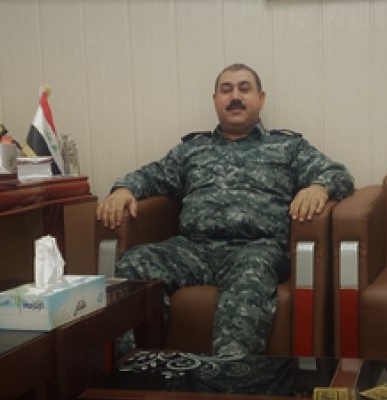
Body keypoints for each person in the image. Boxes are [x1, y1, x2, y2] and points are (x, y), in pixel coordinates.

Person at [96, 63, 354, 356]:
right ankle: (134, 370)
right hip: (193, 250)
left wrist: (318, 187)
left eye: (244, 89)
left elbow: (338, 173)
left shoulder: (287, 147)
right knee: (134, 264)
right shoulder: (193, 149)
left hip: (256, 249)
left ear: (261, 98)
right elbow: (151, 175)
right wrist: (124, 189)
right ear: (215, 99)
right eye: (226, 90)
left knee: (249, 276)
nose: (235, 97)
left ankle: (231, 375)